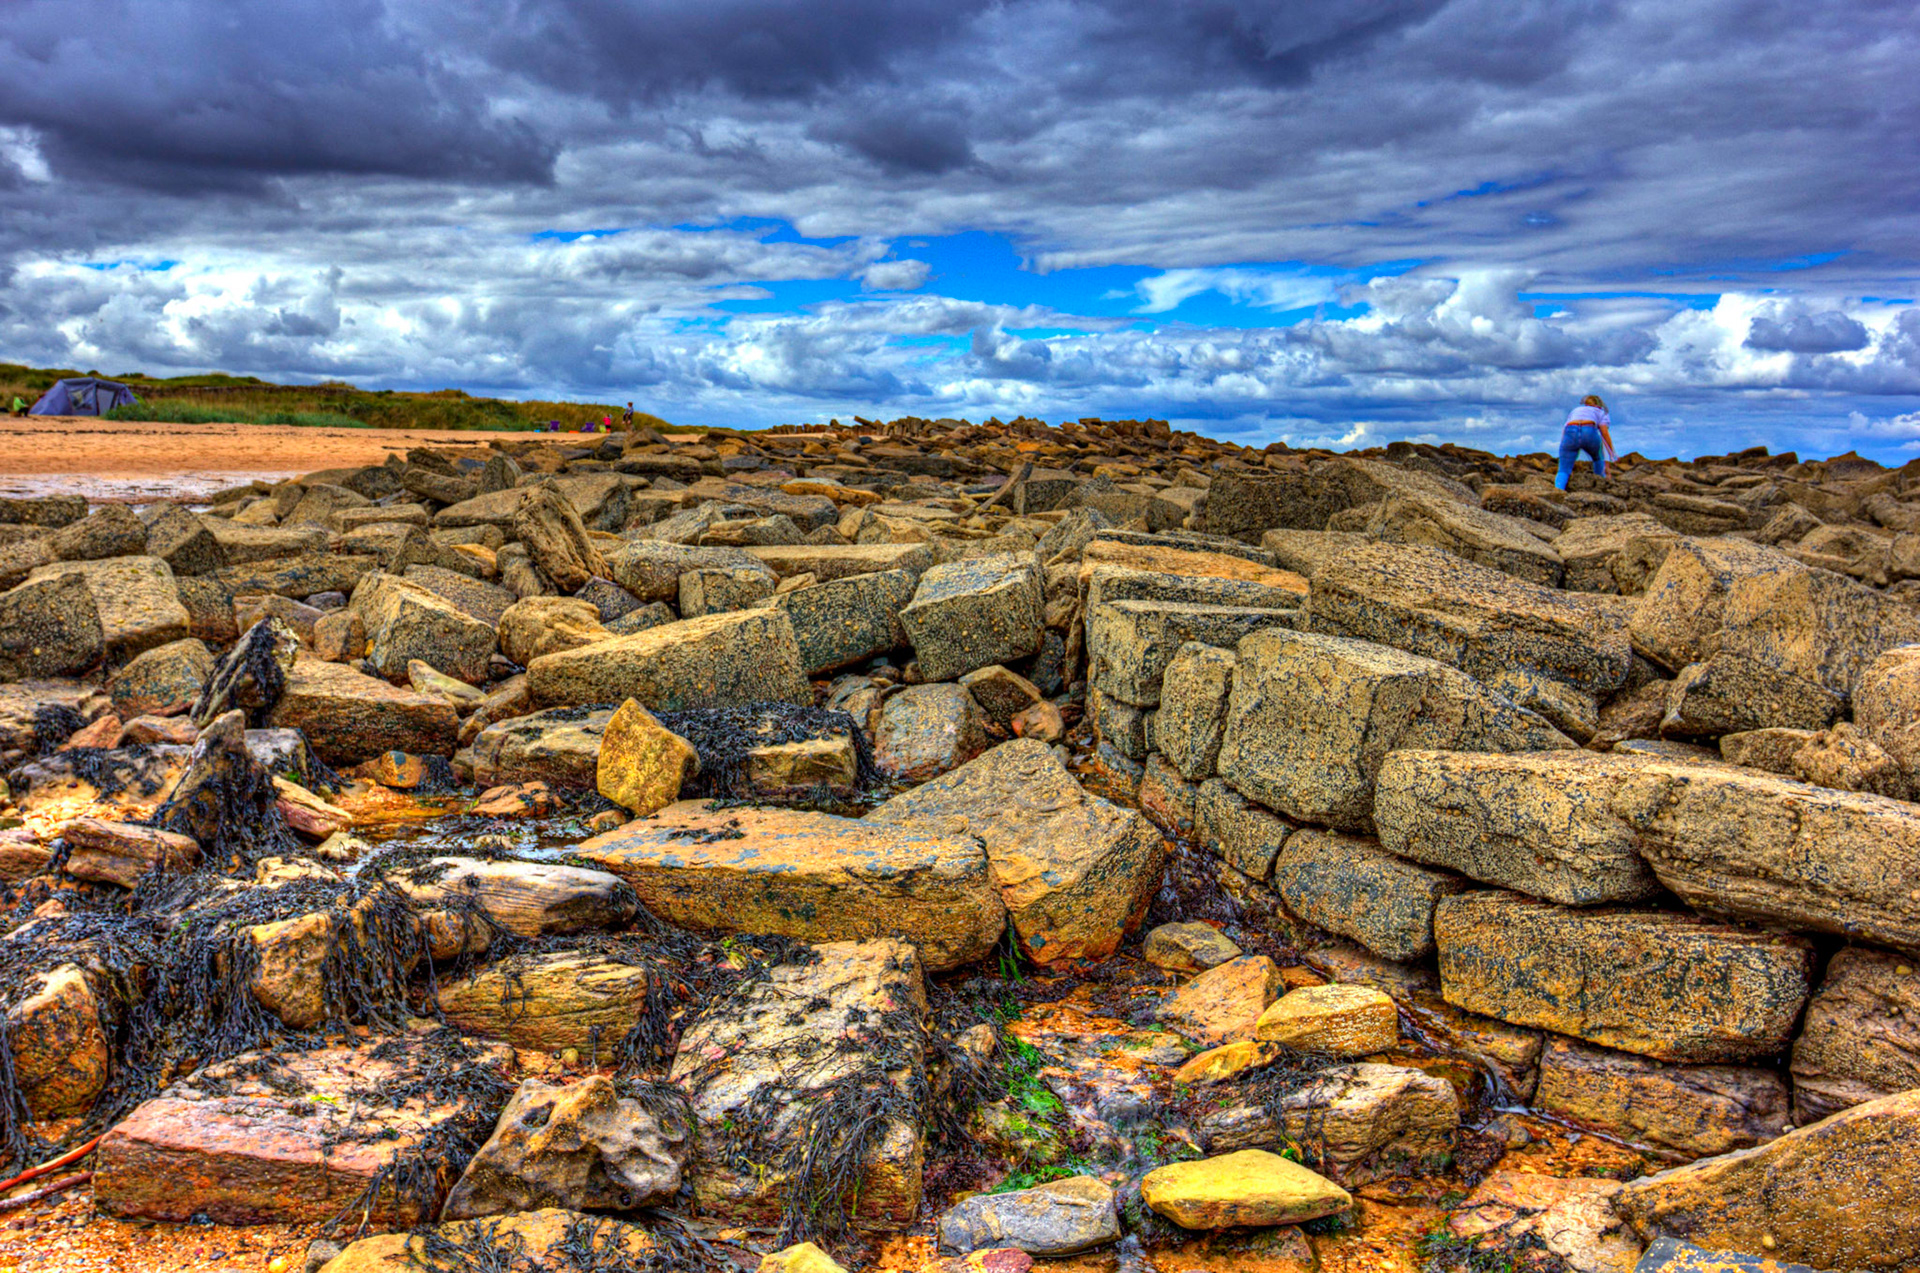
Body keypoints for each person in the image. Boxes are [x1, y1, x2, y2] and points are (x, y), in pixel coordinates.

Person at [1556, 394, 1617, 490]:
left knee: (1563, 470)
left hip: (1570, 431)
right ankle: (1600, 485)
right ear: (1599, 404)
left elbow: (1565, 430)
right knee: (1598, 459)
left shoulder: (1575, 410)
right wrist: (1612, 453)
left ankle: (1558, 491)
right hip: (1589, 430)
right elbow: (1604, 433)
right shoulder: (1600, 411)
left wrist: (1563, 447)